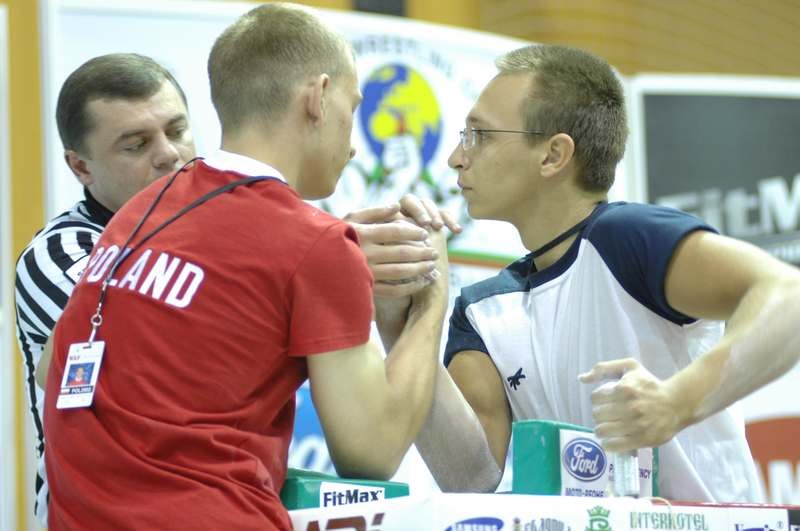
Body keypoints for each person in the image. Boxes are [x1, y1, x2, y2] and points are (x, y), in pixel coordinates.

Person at [43, 4, 451, 530]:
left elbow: (54, 363)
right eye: (352, 108)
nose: (353, 145)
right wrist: (433, 296)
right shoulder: (316, 244)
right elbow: (371, 451)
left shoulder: (138, 212)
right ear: (318, 97)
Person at [412, 44, 800, 502]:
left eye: (480, 135)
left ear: (553, 155)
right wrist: (408, 318)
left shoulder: (625, 237)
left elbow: (789, 298)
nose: (456, 157)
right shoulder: (482, 310)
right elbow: (470, 480)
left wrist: (675, 403)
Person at [14, 52, 196, 527]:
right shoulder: (59, 254)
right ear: (81, 167)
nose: (169, 154)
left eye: (177, 130)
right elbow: (156, 369)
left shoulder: (232, 231)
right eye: (136, 144)